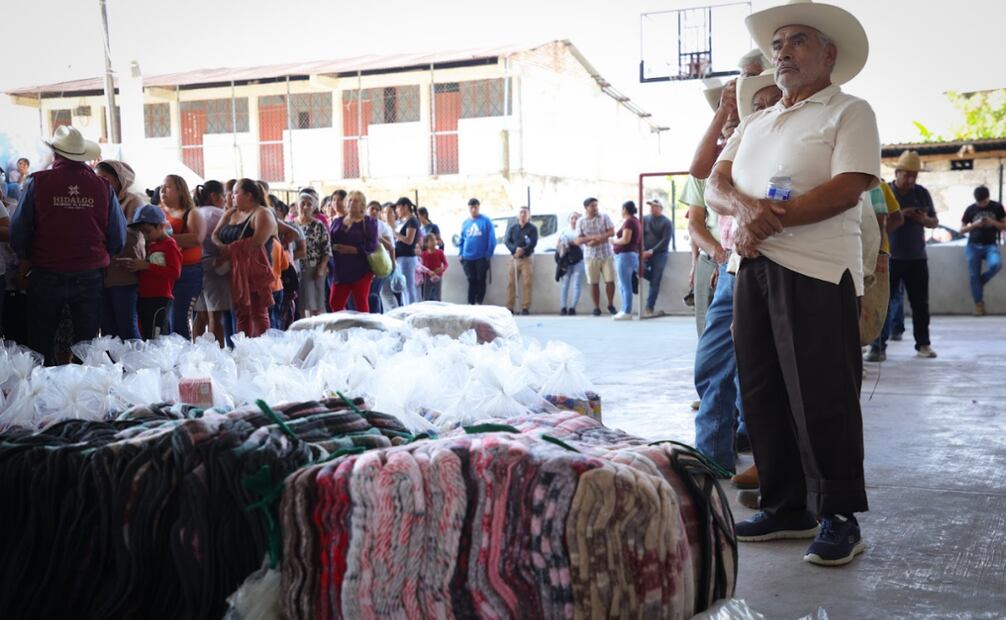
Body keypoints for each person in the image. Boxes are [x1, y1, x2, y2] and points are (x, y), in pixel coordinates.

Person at [705, 0, 879, 566]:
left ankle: (838, 515)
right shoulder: (755, 120)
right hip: (750, 267)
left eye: (797, 41)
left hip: (817, 268)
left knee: (822, 393)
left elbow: (848, 186)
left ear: (828, 54)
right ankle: (785, 506)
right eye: (777, 44)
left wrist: (763, 221)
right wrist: (746, 212)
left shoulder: (849, 111)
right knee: (761, 390)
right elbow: (715, 183)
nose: (782, 53)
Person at [695, 70, 783, 483]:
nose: (764, 109)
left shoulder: (788, 143)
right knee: (713, 360)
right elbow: (700, 170)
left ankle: (773, 464)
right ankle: (712, 455)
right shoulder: (739, 144)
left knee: (766, 369)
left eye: (771, 101)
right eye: (756, 105)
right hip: (733, 267)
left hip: (779, 264)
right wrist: (725, 113)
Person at [9, 126, 126, 364]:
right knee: (86, 345)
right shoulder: (102, 186)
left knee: (41, 342)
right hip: (89, 273)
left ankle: (42, 385)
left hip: (46, 271)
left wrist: (26, 257)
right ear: (82, 154)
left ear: (56, 153)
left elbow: (19, 231)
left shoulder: (37, 182)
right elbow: (118, 237)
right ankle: (83, 385)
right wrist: (102, 255)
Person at [866, 150, 939, 361]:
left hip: (917, 257)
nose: (910, 180)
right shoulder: (884, 190)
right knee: (883, 302)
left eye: (914, 175)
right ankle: (878, 346)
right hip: (890, 256)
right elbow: (878, 223)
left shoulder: (922, 193)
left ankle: (923, 344)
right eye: (906, 175)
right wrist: (902, 215)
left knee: (920, 304)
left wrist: (923, 219)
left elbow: (934, 222)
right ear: (897, 173)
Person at [212, 178, 276, 337]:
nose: (231, 196)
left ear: (249, 195)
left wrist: (229, 249)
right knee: (241, 312)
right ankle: (243, 346)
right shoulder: (230, 213)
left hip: (254, 271)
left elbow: (258, 241)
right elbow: (215, 235)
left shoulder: (262, 213)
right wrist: (222, 248)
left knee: (258, 313)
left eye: (235, 193)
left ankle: (262, 347)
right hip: (233, 271)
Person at [95, 160, 145, 340]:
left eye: (105, 178)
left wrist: (101, 235)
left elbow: (133, 235)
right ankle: (113, 360)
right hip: (102, 272)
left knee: (126, 324)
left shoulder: (133, 201)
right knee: (107, 328)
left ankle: (134, 358)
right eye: (97, 178)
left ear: (119, 180)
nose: (100, 182)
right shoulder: (98, 200)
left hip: (123, 272)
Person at [120, 205, 182, 340]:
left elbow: (175, 272)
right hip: (144, 297)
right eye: (142, 232)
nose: (145, 235)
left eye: (148, 231)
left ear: (161, 226)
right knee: (146, 336)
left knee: (156, 337)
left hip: (160, 298)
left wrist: (147, 266)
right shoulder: (150, 245)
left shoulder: (169, 245)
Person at [159, 174, 206, 340]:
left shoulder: (192, 213)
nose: (162, 191)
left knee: (179, 317)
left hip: (188, 272)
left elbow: (196, 238)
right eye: (162, 187)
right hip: (165, 272)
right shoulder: (160, 212)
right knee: (165, 319)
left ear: (180, 190)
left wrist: (164, 239)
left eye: (167, 187)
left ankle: (183, 350)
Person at [191, 181, 233, 347]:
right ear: (214, 196)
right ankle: (218, 354)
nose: (225, 200)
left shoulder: (195, 213)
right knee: (215, 315)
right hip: (214, 269)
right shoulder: (218, 214)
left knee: (200, 316)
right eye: (223, 196)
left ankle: (197, 352)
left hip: (195, 267)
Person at [329, 190, 378, 312]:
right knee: (335, 302)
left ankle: (364, 324)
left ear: (362, 205)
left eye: (356, 201)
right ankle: (344, 322)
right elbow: (330, 241)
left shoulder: (368, 222)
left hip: (361, 269)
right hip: (340, 269)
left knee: (361, 303)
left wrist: (354, 250)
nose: (352, 203)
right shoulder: (337, 221)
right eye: (350, 200)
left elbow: (372, 245)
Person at [961, 185, 1005, 315]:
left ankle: (981, 281)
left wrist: (992, 222)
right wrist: (975, 225)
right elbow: (961, 230)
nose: (982, 205)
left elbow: (1004, 225)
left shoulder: (997, 207)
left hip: (990, 245)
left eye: (984, 202)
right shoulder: (970, 209)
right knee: (973, 275)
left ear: (988, 198)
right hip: (973, 245)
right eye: (979, 203)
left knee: (996, 264)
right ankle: (979, 306)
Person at [575, 197, 616, 316]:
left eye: (596, 205)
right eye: (592, 206)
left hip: (606, 254)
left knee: (610, 281)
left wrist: (599, 239)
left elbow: (612, 232)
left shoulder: (604, 217)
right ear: (586, 208)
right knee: (593, 282)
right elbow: (578, 240)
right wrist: (592, 239)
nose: (595, 208)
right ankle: (596, 307)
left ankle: (610, 304)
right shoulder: (581, 221)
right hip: (590, 256)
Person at [297, 192, 331, 318]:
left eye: (309, 204)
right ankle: (302, 328)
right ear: (297, 205)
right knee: (299, 304)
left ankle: (317, 328)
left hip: (314, 267)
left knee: (315, 305)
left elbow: (327, 249)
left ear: (314, 208)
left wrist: (321, 267)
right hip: (296, 268)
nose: (305, 207)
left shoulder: (318, 225)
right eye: (302, 203)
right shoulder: (291, 224)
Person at [458, 197, 496, 305]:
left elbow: (492, 239)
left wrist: (488, 254)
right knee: (471, 280)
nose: (473, 210)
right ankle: (471, 303)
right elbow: (461, 239)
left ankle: (479, 302)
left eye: (475, 207)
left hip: (481, 257)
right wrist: (460, 253)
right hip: (467, 257)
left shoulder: (486, 221)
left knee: (481, 280)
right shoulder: (465, 223)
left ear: (478, 207)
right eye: (471, 207)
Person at [611, 201, 642, 320]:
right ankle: (624, 309)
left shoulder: (629, 222)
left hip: (625, 255)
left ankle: (626, 311)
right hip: (630, 255)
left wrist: (613, 241)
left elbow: (625, 239)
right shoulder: (636, 221)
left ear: (624, 209)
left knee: (625, 285)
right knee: (623, 284)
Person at [504, 206, 538, 315]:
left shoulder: (532, 228)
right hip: (514, 259)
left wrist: (523, 250)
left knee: (527, 283)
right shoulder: (512, 228)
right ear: (518, 215)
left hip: (526, 259)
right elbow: (507, 241)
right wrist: (515, 249)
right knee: (511, 283)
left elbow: (533, 243)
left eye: (525, 212)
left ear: (528, 215)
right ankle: (510, 307)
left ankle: (525, 307)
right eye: (521, 212)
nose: (523, 214)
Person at [641, 199, 672, 317]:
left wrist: (652, 251)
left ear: (660, 208)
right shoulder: (644, 219)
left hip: (660, 254)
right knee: (637, 269)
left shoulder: (666, 222)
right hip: (645, 253)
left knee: (655, 280)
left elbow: (665, 240)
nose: (652, 208)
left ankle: (649, 307)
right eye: (651, 206)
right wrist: (642, 251)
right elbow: (640, 235)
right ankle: (653, 279)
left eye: (654, 206)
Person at [367, 201, 395, 313]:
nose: (374, 211)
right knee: (371, 294)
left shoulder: (383, 226)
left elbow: (391, 247)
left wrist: (379, 238)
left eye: (377, 210)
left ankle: (378, 317)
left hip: (381, 265)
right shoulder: (362, 223)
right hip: (367, 264)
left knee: (374, 293)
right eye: (372, 208)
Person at [393, 197, 421, 305]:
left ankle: (411, 308)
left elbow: (409, 240)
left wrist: (396, 234)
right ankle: (406, 307)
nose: (397, 211)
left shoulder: (412, 221)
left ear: (405, 207)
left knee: (409, 286)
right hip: (401, 257)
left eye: (398, 208)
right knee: (404, 287)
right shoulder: (404, 221)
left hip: (407, 257)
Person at [556, 212, 584, 315]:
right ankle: (563, 307)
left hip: (578, 259)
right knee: (565, 283)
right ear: (569, 220)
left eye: (576, 218)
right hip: (566, 260)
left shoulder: (582, 230)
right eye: (572, 218)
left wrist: (568, 242)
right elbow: (557, 244)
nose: (574, 220)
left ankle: (573, 307)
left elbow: (580, 242)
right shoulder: (564, 231)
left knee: (576, 284)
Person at [419, 234, 448, 301]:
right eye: (431, 240)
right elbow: (421, 266)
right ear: (426, 243)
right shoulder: (423, 254)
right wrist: (427, 272)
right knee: (426, 297)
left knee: (437, 296)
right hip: (427, 278)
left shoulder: (440, 252)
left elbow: (446, 264)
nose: (434, 241)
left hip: (438, 277)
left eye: (435, 239)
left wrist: (442, 269)